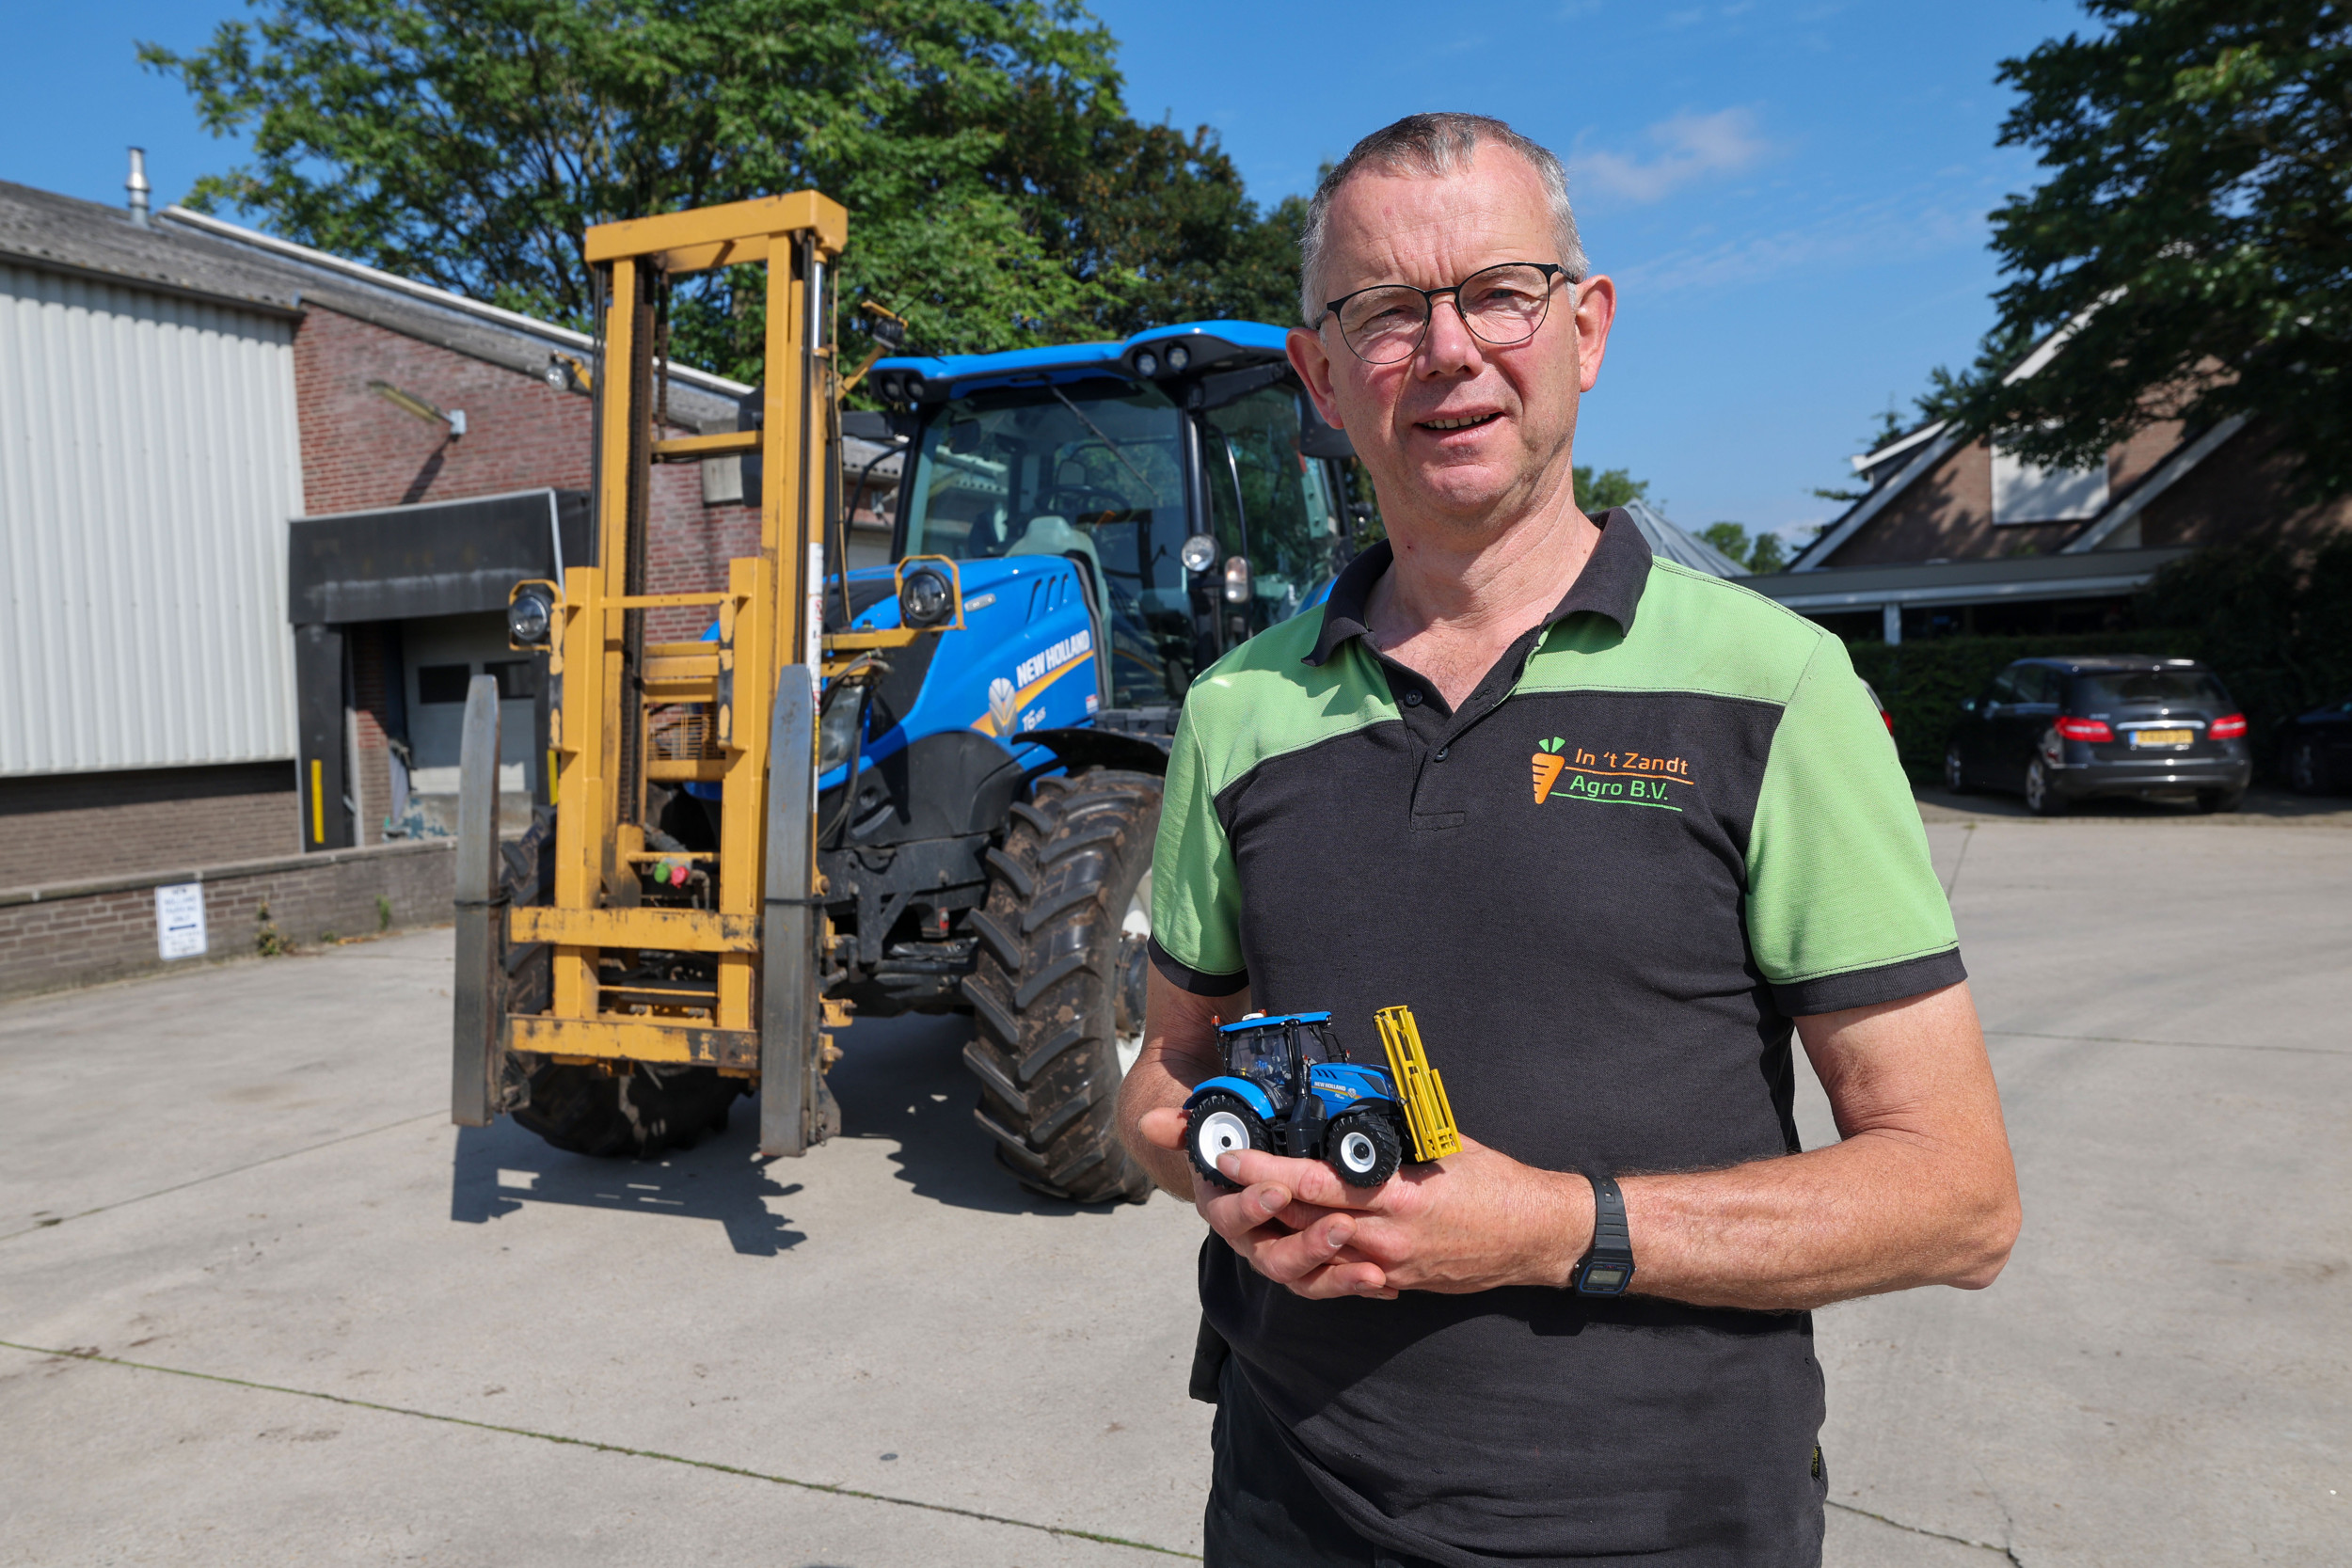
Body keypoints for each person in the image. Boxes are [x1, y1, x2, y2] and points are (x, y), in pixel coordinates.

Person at [1115, 112, 2021, 1568]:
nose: (1450, 348)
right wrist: (1226, 1178)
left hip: (1663, 1523)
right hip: (1290, 1504)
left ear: (1585, 331)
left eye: (1498, 291)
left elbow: (1958, 1199)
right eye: (1384, 311)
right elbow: (1167, 1081)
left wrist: (1551, 1227)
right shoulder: (1240, 706)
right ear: (1321, 375)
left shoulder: (1773, 686)